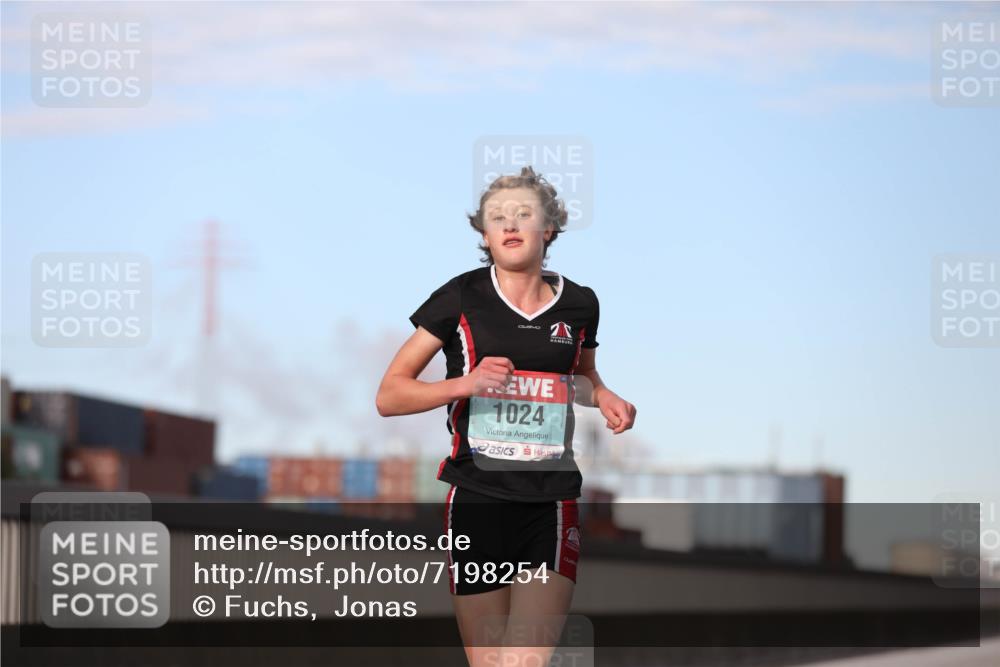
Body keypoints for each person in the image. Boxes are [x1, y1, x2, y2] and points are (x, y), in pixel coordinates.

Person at [376, 166, 636, 667]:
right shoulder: (461, 296)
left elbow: (581, 379)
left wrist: (604, 396)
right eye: (497, 217)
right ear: (484, 233)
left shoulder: (581, 304)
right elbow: (390, 395)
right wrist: (465, 384)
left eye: (524, 214)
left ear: (550, 228)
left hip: (550, 500)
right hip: (476, 499)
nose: (510, 224)